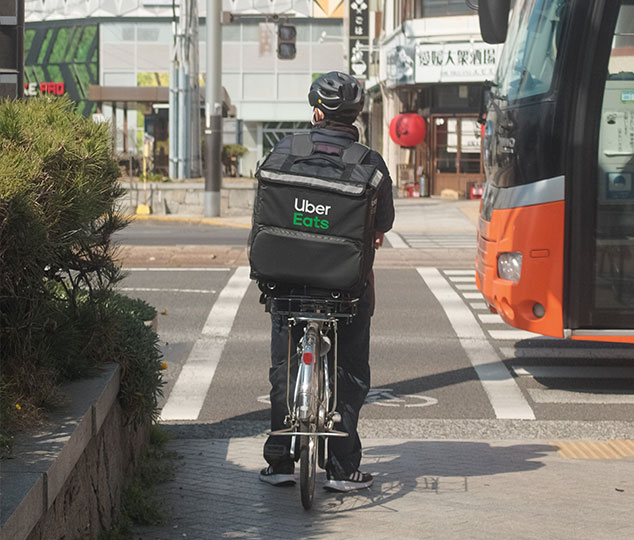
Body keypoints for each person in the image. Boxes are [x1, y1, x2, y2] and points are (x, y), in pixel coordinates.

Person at [258, 72, 395, 492]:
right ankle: (341, 467)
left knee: (284, 365)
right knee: (350, 371)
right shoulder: (369, 162)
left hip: (285, 282)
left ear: (316, 111)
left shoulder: (283, 151)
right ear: (355, 116)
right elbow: (385, 222)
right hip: (346, 288)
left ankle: (280, 459)